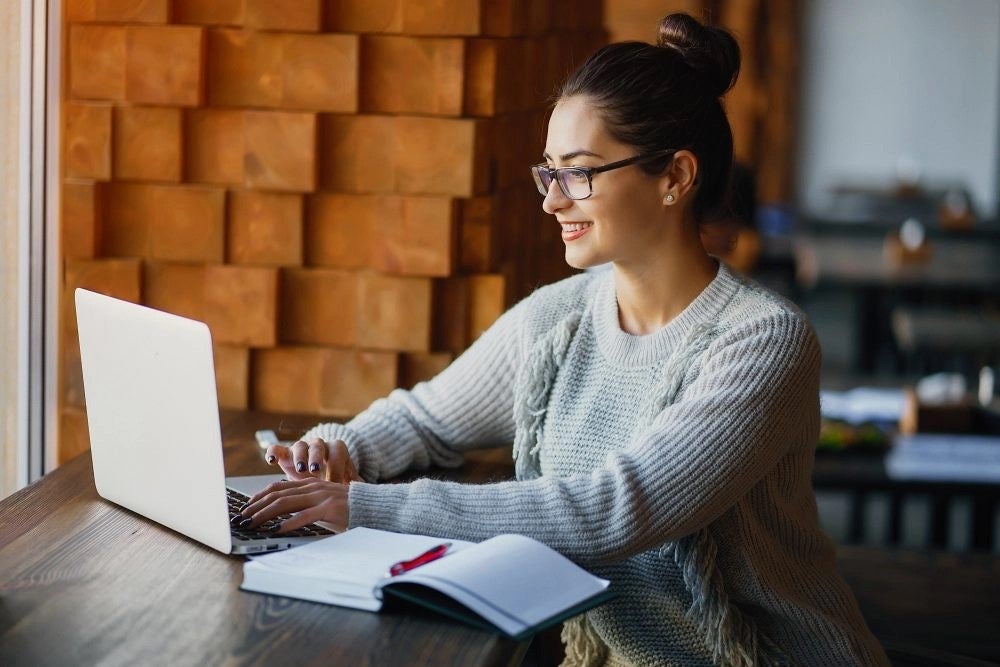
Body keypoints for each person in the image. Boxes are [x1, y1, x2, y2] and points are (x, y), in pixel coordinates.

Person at [238, 13, 890, 667]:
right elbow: (425, 416)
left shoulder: (763, 342)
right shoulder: (559, 318)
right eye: (548, 172)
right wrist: (336, 451)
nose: (552, 201)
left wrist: (363, 506)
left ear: (675, 177)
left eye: (578, 173)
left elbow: (615, 510)